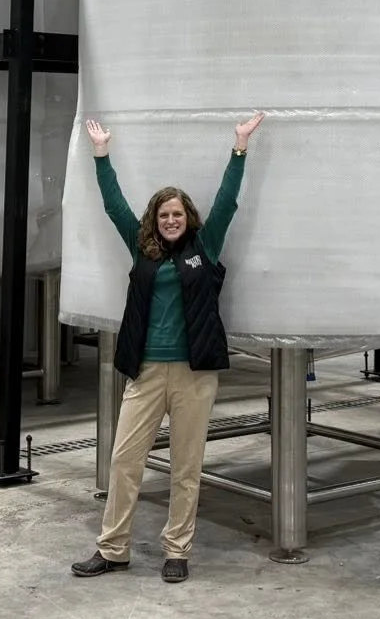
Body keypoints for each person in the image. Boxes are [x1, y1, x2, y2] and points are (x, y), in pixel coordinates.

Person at [72, 110, 264, 584]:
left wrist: (239, 148)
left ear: (188, 218)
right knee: (124, 461)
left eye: (178, 214)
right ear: (154, 222)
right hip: (147, 370)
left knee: (186, 465)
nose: (172, 220)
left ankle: (177, 550)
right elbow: (115, 205)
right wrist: (102, 156)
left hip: (195, 373)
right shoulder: (143, 250)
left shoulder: (207, 243)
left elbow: (227, 201)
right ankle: (112, 548)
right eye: (164, 215)